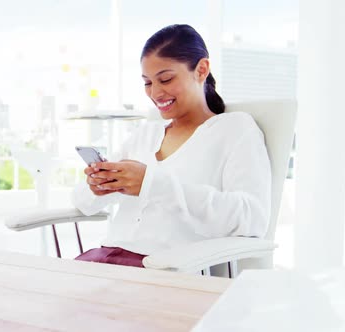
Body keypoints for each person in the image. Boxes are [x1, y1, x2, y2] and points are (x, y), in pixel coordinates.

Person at [72, 24, 271, 268]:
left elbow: (252, 218)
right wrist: (98, 186)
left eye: (166, 79)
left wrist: (151, 184)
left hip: (160, 269)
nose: (155, 93)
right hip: (103, 260)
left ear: (201, 70)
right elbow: (82, 204)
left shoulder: (234, 129)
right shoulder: (145, 135)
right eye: (147, 83)